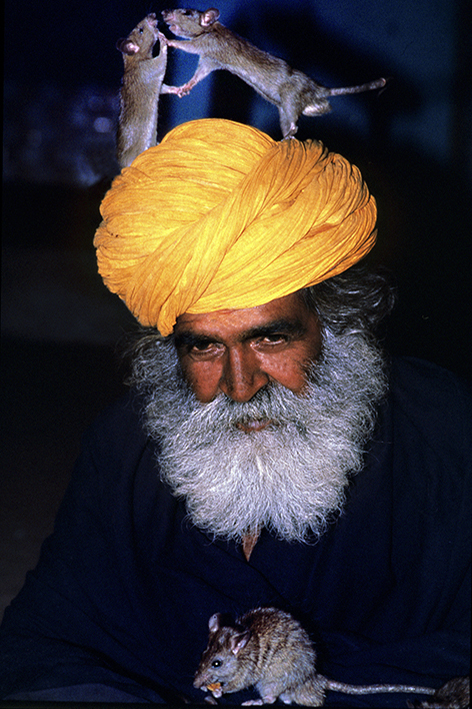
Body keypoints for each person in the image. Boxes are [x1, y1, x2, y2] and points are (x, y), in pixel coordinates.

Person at [0, 119, 470, 706]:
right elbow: (43, 646)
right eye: (204, 346)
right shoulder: (124, 448)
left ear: (335, 324)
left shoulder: (443, 431)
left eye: (271, 340)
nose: (240, 385)